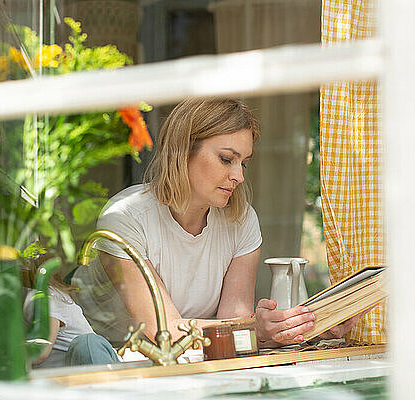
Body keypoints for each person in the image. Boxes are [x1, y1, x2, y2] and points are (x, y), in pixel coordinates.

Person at [94, 98, 360, 348]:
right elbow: (164, 331)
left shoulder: (240, 220)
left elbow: (236, 333)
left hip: (194, 364)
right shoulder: (125, 217)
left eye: (243, 163)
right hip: (104, 364)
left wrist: (299, 329)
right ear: (182, 150)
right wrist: (256, 328)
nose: (238, 176)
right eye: (226, 159)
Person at [26, 272, 119, 368]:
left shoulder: (42, 298)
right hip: (60, 376)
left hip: (96, 365)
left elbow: (40, 353)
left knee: (86, 343)